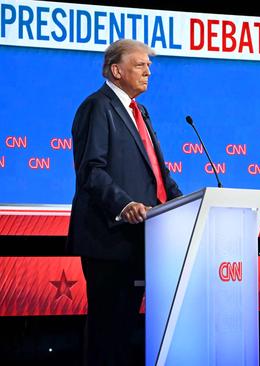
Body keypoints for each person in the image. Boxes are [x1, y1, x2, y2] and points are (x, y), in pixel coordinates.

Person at [67, 39, 182, 365]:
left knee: (126, 329)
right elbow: (92, 170)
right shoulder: (97, 107)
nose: (148, 71)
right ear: (116, 70)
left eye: (149, 65)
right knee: (108, 331)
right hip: (109, 238)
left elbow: (158, 174)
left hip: (142, 238)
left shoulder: (139, 111)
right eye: (140, 65)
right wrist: (123, 204)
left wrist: (187, 203)